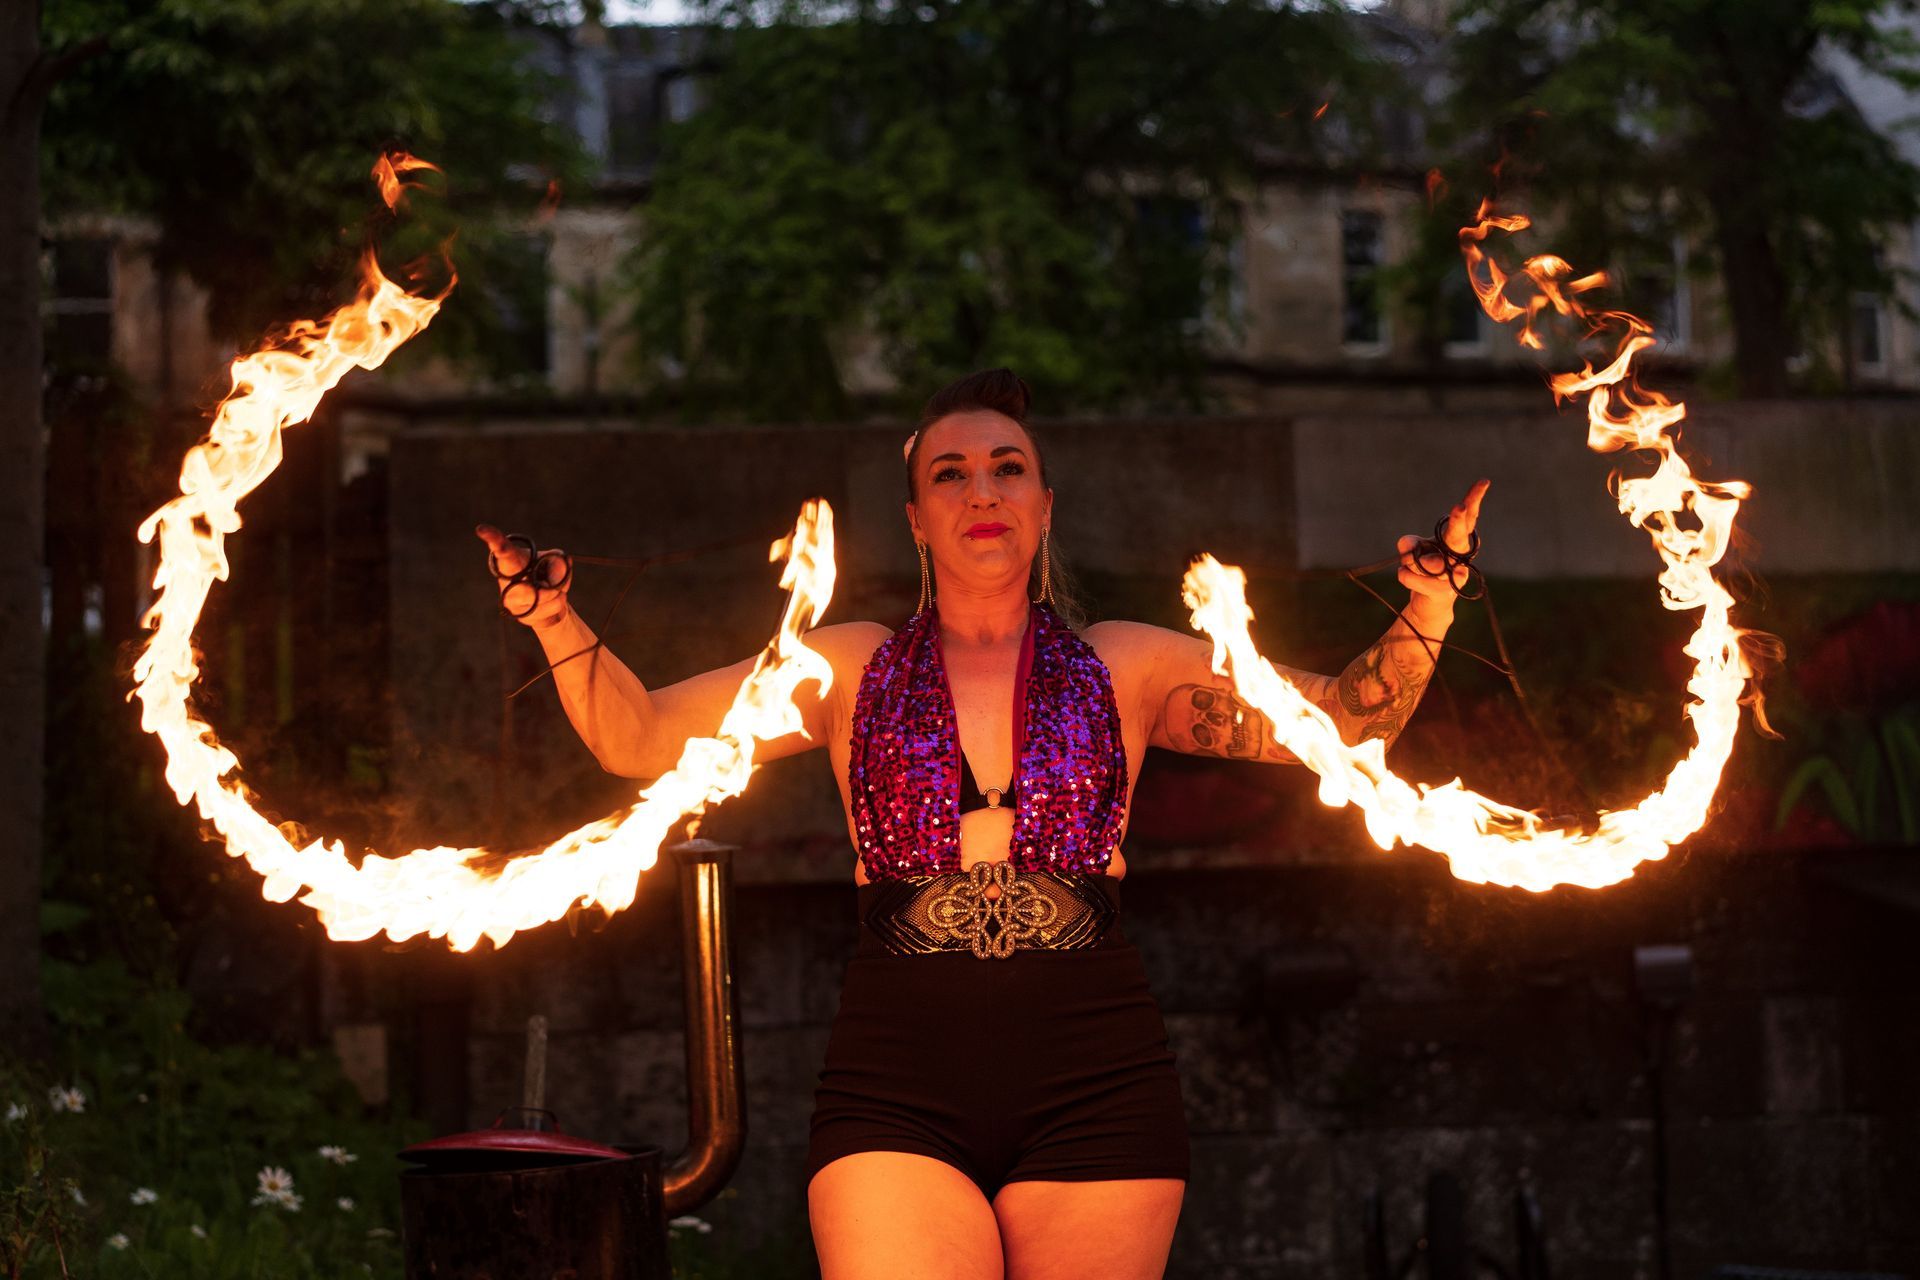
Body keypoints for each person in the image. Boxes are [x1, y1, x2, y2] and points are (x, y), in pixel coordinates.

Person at [477, 368, 1488, 1280]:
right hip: (897, 1074)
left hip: (1095, 1073)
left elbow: (1352, 719)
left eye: (1008, 468)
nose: (983, 491)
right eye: (951, 474)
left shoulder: (1129, 664)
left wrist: (1429, 606)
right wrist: (552, 618)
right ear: (917, 517)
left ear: (1044, 505)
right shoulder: (846, 666)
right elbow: (641, 734)